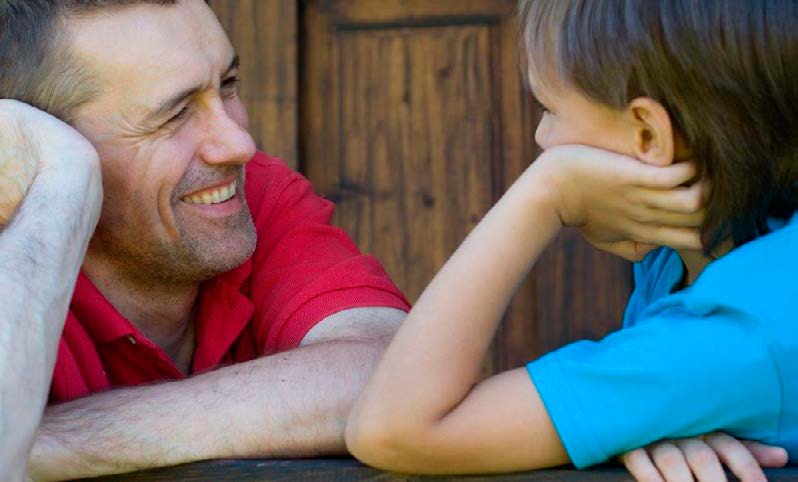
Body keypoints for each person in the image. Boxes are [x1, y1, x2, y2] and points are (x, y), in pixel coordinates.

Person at [345, 1, 797, 482]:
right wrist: (656, 417)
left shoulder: (733, 336)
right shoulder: (686, 262)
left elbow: (392, 428)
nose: (541, 140)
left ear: (648, 135)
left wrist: (546, 192)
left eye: (549, 110)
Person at [0, 1, 411, 480]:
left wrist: (48, 441)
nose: (239, 145)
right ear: (37, 137)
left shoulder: (255, 194)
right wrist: (60, 178)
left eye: (228, 86)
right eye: (174, 115)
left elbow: (399, 372)